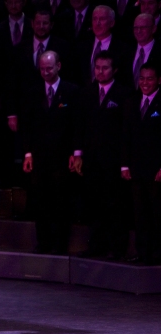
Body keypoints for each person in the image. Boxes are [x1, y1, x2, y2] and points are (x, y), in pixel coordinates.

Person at [73, 51, 131, 258]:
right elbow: (79, 125)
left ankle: (116, 249)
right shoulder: (86, 92)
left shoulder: (124, 94)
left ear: (114, 70)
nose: (100, 71)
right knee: (93, 204)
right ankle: (95, 246)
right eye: (97, 67)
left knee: (115, 205)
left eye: (105, 67)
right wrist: (77, 153)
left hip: (113, 160)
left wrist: (125, 162)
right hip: (91, 159)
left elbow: (126, 130)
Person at [21, 51, 79, 255]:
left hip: (62, 157)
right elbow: (27, 125)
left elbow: (76, 125)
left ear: (59, 66)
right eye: (42, 68)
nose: (45, 72)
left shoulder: (71, 91)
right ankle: (43, 243)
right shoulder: (33, 91)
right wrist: (28, 153)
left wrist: (76, 152)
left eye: (49, 68)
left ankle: (60, 244)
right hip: (39, 157)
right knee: (40, 201)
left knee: (60, 201)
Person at [121, 62, 161, 265]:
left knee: (157, 212)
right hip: (136, 169)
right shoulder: (131, 101)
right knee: (140, 213)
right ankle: (143, 252)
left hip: (156, 170)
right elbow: (125, 134)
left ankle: (157, 253)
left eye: (150, 78)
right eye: (142, 78)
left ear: (159, 80)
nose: (145, 82)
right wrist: (125, 165)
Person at [74, 5, 128, 86]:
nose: (97, 23)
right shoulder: (81, 47)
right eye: (94, 19)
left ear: (112, 23)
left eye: (102, 19)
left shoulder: (123, 49)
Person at [125, 13, 161, 89]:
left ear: (153, 29)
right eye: (136, 28)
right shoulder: (126, 51)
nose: (139, 31)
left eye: (143, 27)